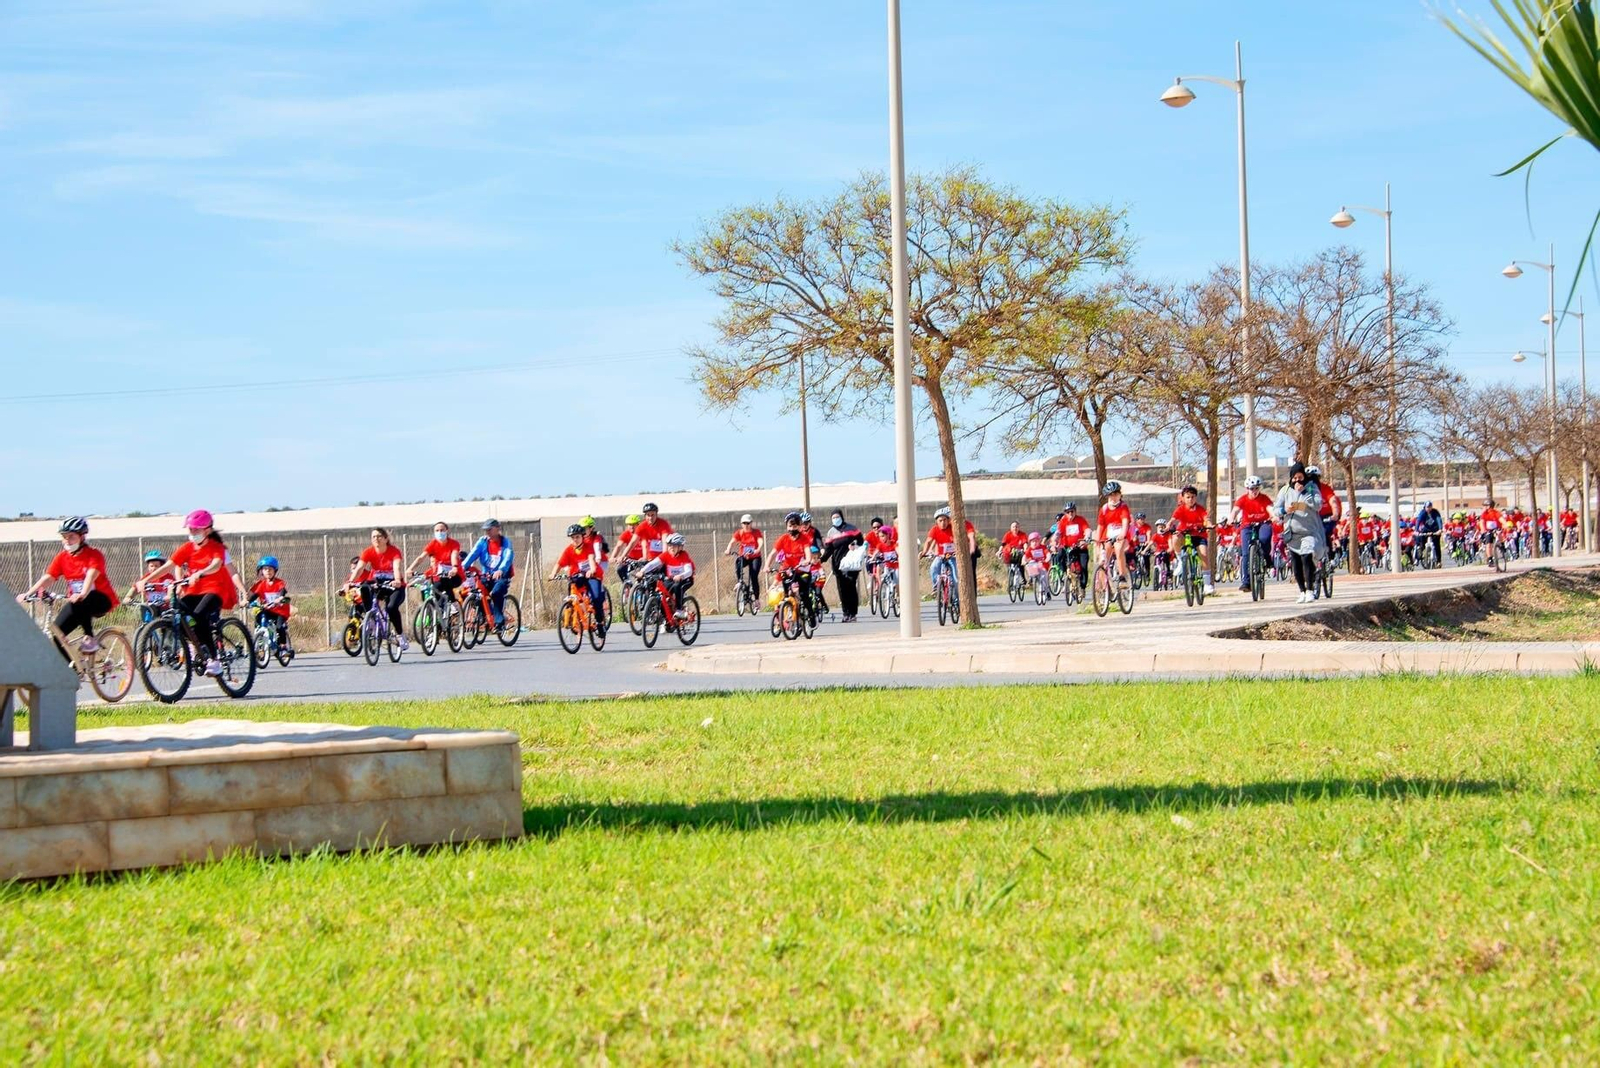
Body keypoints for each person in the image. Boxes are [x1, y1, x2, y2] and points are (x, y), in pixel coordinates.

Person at [134, 510, 238, 676]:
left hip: (215, 589)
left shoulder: (216, 547)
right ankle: (197, 644)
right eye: (191, 530)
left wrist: (200, 573)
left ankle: (214, 660)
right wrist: (145, 580)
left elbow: (217, 564)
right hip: (194, 591)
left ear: (208, 530)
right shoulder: (187, 548)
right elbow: (168, 566)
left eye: (197, 530)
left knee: (198, 615)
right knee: (176, 615)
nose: (193, 533)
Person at [16, 516, 120, 660]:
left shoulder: (94, 555)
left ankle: (90, 638)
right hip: (77, 602)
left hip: (101, 600)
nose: (67, 540)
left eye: (71, 536)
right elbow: (49, 577)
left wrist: (82, 592)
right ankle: (73, 671)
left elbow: (91, 575)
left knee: (84, 598)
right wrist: (28, 593)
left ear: (82, 537)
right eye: (64, 537)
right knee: (57, 634)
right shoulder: (62, 557)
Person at [1274, 463, 1327, 603]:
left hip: (1308, 531)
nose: (1297, 481)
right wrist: (1285, 511)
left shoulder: (1311, 487)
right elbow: (1276, 509)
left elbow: (1318, 505)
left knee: (1306, 558)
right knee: (1296, 562)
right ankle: (1302, 591)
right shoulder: (1285, 491)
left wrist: (1306, 493)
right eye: (1295, 478)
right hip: (1292, 533)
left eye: (1300, 477)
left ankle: (1310, 590)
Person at [349, 527, 409, 649]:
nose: (376, 539)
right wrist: (350, 582)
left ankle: (400, 635)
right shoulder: (368, 552)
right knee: (365, 587)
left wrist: (397, 580)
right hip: (377, 583)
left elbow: (396, 567)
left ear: (386, 539)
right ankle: (370, 617)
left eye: (379, 536)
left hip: (394, 586)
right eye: (373, 537)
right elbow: (359, 568)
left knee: (391, 607)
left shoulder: (394, 551)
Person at [550, 523, 606, 634]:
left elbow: (591, 559)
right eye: (573, 537)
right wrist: (553, 574)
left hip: (593, 575)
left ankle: (600, 624)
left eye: (578, 537)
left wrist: (592, 570)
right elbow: (559, 564)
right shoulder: (569, 550)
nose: (575, 540)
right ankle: (576, 618)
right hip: (577, 576)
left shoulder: (588, 546)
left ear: (582, 537)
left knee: (595, 599)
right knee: (573, 593)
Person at [463, 518, 514, 629]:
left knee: (496, 592)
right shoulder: (483, 542)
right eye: (486, 530)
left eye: (490, 529)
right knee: (476, 593)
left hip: (502, 576)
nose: (487, 532)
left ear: (497, 529)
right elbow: (472, 555)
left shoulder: (505, 542)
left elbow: (508, 557)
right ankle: (482, 616)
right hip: (486, 575)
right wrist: (462, 568)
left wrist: (501, 570)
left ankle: (499, 622)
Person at [767, 512, 818, 622]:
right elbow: (772, 554)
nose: (792, 528)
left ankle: (811, 615)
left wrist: (808, 560)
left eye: (795, 526)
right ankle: (786, 616)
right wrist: (767, 566)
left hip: (802, 570)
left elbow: (807, 551)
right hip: (788, 570)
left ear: (800, 527)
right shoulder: (783, 539)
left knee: (804, 594)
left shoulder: (804, 539)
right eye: (790, 526)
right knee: (786, 594)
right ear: (786, 526)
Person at [637, 532, 696, 624]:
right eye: (669, 545)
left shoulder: (684, 555)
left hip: (686, 579)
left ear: (680, 547)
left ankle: (679, 610)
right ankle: (664, 617)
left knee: (677, 586)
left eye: (674, 546)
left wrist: (681, 575)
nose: (671, 548)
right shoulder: (666, 555)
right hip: (671, 579)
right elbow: (653, 564)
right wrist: (642, 571)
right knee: (661, 592)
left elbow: (689, 571)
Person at [820, 510, 866, 622]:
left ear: (842, 517)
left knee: (851, 588)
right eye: (833, 517)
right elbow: (829, 550)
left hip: (851, 564)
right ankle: (846, 613)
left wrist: (854, 544)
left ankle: (853, 613)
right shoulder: (831, 532)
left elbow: (861, 541)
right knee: (842, 589)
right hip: (838, 565)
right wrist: (820, 560)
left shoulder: (851, 528)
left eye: (837, 517)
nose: (836, 519)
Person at [1231, 476, 1275, 592]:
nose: (1254, 491)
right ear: (1247, 489)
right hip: (1247, 526)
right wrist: (1231, 519)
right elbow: (1235, 510)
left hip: (1263, 523)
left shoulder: (1264, 498)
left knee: (1264, 538)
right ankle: (1246, 582)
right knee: (1245, 553)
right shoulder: (1243, 499)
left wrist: (1274, 515)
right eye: (1251, 489)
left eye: (1256, 488)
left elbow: (1270, 508)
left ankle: (1266, 558)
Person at [408, 521, 464, 599]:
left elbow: (454, 556)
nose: (439, 532)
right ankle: (435, 609)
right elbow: (421, 558)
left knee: (445, 583)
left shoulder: (454, 543)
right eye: (437, 531)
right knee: (435, 590)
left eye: (442, 530)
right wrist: (410, 569)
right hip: (439, 576)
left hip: (455, 575)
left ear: (447, 531)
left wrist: (454, 567)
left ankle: (453, 604)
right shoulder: (432, 544)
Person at [250, 556, 293, 653]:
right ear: (261, 571)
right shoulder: (261, 584)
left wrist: (280, 598)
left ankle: (283, 647)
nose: (268, 571)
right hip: (268, 609)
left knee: (279, 627)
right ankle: (260, 641)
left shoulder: (279, 583)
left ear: (275, 570)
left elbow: (282, 590)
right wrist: (247, 601)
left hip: (280, 611)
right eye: (265, 569)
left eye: (270, 569)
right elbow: (255, 594)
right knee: (258, 619)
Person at [1095, 481, 1133, 583]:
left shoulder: (1123, 507)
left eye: (1116, 494)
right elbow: (1100, 526)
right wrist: (1097, 540)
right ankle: (1103, 586)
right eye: (1110, 496)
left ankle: (1122, 576)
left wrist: (1122, 534)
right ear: (1107, 497)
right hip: (1109, 536)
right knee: (1104, 558)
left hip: (1122, 535)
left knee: (1118, 548)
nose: (1113, 498)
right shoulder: (1104, 509)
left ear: (1120, 495)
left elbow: (1125, 522)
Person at [922, 506, 961, 600]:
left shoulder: (953, 529)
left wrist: (958, 551)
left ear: (948, 520)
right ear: (937, 522)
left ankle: (956, 600)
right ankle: (937, 587)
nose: (943, 523)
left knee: (955, 579)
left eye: (945, 520)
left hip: (952, 556)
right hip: (940, 556)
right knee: (933, 568)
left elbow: (958, 541)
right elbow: (928, 541)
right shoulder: (934, 530)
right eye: (940, 520)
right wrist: (924, 552)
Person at [724, 514, 765, 599]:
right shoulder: (739, 533)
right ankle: (740, 582)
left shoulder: (756, 532)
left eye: (748, 523)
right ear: (741, 524)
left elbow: (760, 541)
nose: (746, 525)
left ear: (751, 523)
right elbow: (732, 542)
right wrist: (728, 549)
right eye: (744, 523)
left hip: (755, 557)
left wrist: (758, 549)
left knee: (753, 577)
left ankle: (757, 599)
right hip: (744, 556)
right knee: (738, 562)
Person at [1054, 503, 1092, 593]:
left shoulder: (1081, 520)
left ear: (1075, 511)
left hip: (1080, 547)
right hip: (1068, 547)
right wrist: (1054, 540)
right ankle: (1065, 575)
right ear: (1065, 513)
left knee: (1083, 566)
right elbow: (1058, 532)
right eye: (1068, 512)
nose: (1070, 513)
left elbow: (1087, 530)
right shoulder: (1063, 521)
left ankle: (1082, 587)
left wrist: (1086, 538)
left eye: (1072, 511)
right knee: (1059, 556)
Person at [137, 549, 173, 623]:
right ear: (148, 567)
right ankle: (146, 631)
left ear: (162, 567)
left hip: (165, 607)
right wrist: (128, 597)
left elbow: (171, 586)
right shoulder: (146, 578)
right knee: (145, 610)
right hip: (151, 606)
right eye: (151, 566)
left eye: (156, 566)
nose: (153, 568)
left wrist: (169, 595)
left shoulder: (168, 577)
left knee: (167, 622)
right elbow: (135, 588)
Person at [613, 513, 647, 585]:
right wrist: (613, 557)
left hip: (642, 559)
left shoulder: (643, 533)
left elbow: (645, 546)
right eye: (629, 525)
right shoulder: (626, 534)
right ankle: (627, 585)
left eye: (633, 524)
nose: (631, 527)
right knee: (620, 569)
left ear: (638, 524)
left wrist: (644, 557)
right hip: (630, 559)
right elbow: (618, 546)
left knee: (642, 576)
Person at [1414, 500, 1443, 568]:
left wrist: (1440, 529)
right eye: (1427, 507)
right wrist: (1416, 530)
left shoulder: (1435, 512)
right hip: (1426, 528)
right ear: (1425, 507)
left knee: (1437, 545)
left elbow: (1439, 520)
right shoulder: (1422, 512)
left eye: (1430, 507)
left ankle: (1439, 561)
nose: (1429, 508)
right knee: (1421, 539)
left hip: (1435, 529)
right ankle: (1421, 552)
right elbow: (1418, 520)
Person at [1478, 498, 1505, 567]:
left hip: (1496, 528)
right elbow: (1482, 522)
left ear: (1489, 506)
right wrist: (1483, 529)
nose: (1483, 507)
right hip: (1488, 530)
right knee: (1488, 544)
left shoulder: (1496, 512)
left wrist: (1505, 524)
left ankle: (1502, 545)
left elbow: (1501, 519)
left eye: (1484, 505)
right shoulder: (1484, 514)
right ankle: (1490, 559)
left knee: (1499, 533)